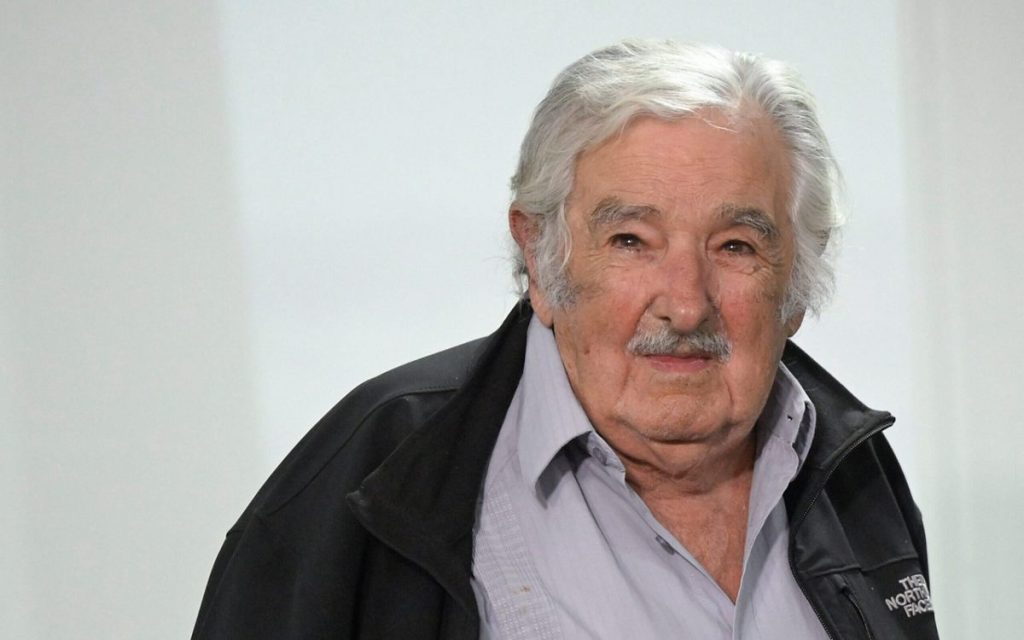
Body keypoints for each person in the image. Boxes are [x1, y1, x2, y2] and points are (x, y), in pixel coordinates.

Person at [193, 39, 938, 639]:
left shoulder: (851, 465)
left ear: (797, 285)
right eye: (631, 240)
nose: (686, 305)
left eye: (736, 246)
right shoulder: (374, 470)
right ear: (541, 259)